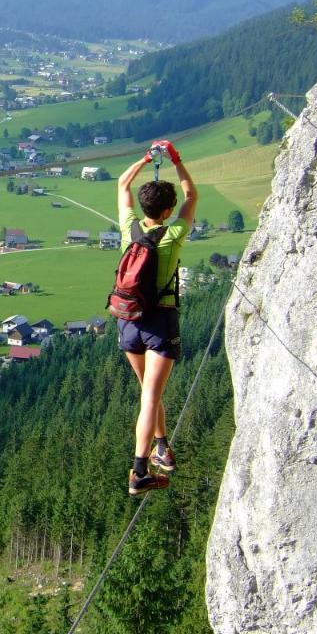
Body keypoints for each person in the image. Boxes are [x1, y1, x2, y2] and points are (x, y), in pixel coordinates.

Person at [116, 139, 198, 496]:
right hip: (159, 323)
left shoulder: (129, 228)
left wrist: (146, 158)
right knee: (150, 396)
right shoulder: (173, 234)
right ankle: (139, 471)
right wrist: (175, 158)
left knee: (150, 390)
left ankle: (161, 447)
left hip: (127, 319)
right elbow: (191, 194)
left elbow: (122, 185)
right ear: (167, 212)